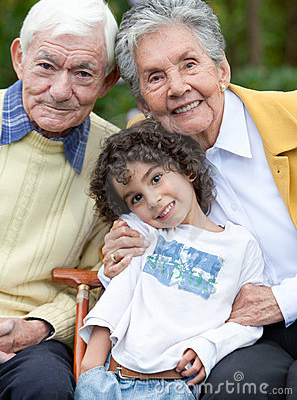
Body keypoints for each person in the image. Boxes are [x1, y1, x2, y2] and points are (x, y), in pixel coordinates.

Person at [102, 0, 297, 398]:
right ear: (143, 102)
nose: (177, 88)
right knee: (234, 391)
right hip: (238, 334)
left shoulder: (292, 120)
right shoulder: (147, 160)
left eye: (189, 64)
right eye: (155, 77)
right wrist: (117, 254)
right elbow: (134, 245)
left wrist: (283, 299)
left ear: (221, 68)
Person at [74, 119, 264, 400]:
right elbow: (116, 297)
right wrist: (90, 369)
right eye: (136, 197)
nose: (151, 200)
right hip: (113, 381)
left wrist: (210, 345)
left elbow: (248, 321)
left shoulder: (240, 245)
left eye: (156, 178)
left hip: (177, 388)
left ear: (186, 168)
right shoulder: (144, 235)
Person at [0, 0, 120, 399]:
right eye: (46, 66)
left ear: (107, 81)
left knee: (45, 388)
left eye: (83, 73)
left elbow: (108, 279)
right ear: (19, 58)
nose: (59, 90)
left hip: (32, 337)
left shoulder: (118, 161)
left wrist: (39, 327)